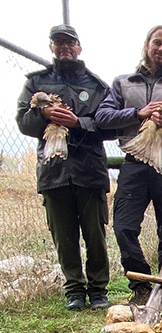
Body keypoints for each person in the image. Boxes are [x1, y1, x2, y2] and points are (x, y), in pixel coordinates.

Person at [95, 25, 162, 306]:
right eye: (158, 43)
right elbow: (102, 117)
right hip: (135, 162)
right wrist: (138, 113)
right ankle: (141, 284)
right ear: (147, 45)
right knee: (124, 226)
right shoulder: (122, 83)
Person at [16, 25, 113, 311]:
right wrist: (42, 113)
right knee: (64, 234)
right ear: (51, 47)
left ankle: (98, 290)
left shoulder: (96, 85)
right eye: (59, 42)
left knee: (95, 234)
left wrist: (78, 123)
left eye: (70, 42)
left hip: (89, 170)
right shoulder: (36, 83)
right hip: (53, 170)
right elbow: (23, 121)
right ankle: (74, 291)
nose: (65, 47)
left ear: (79, 47)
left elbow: (108, 125)